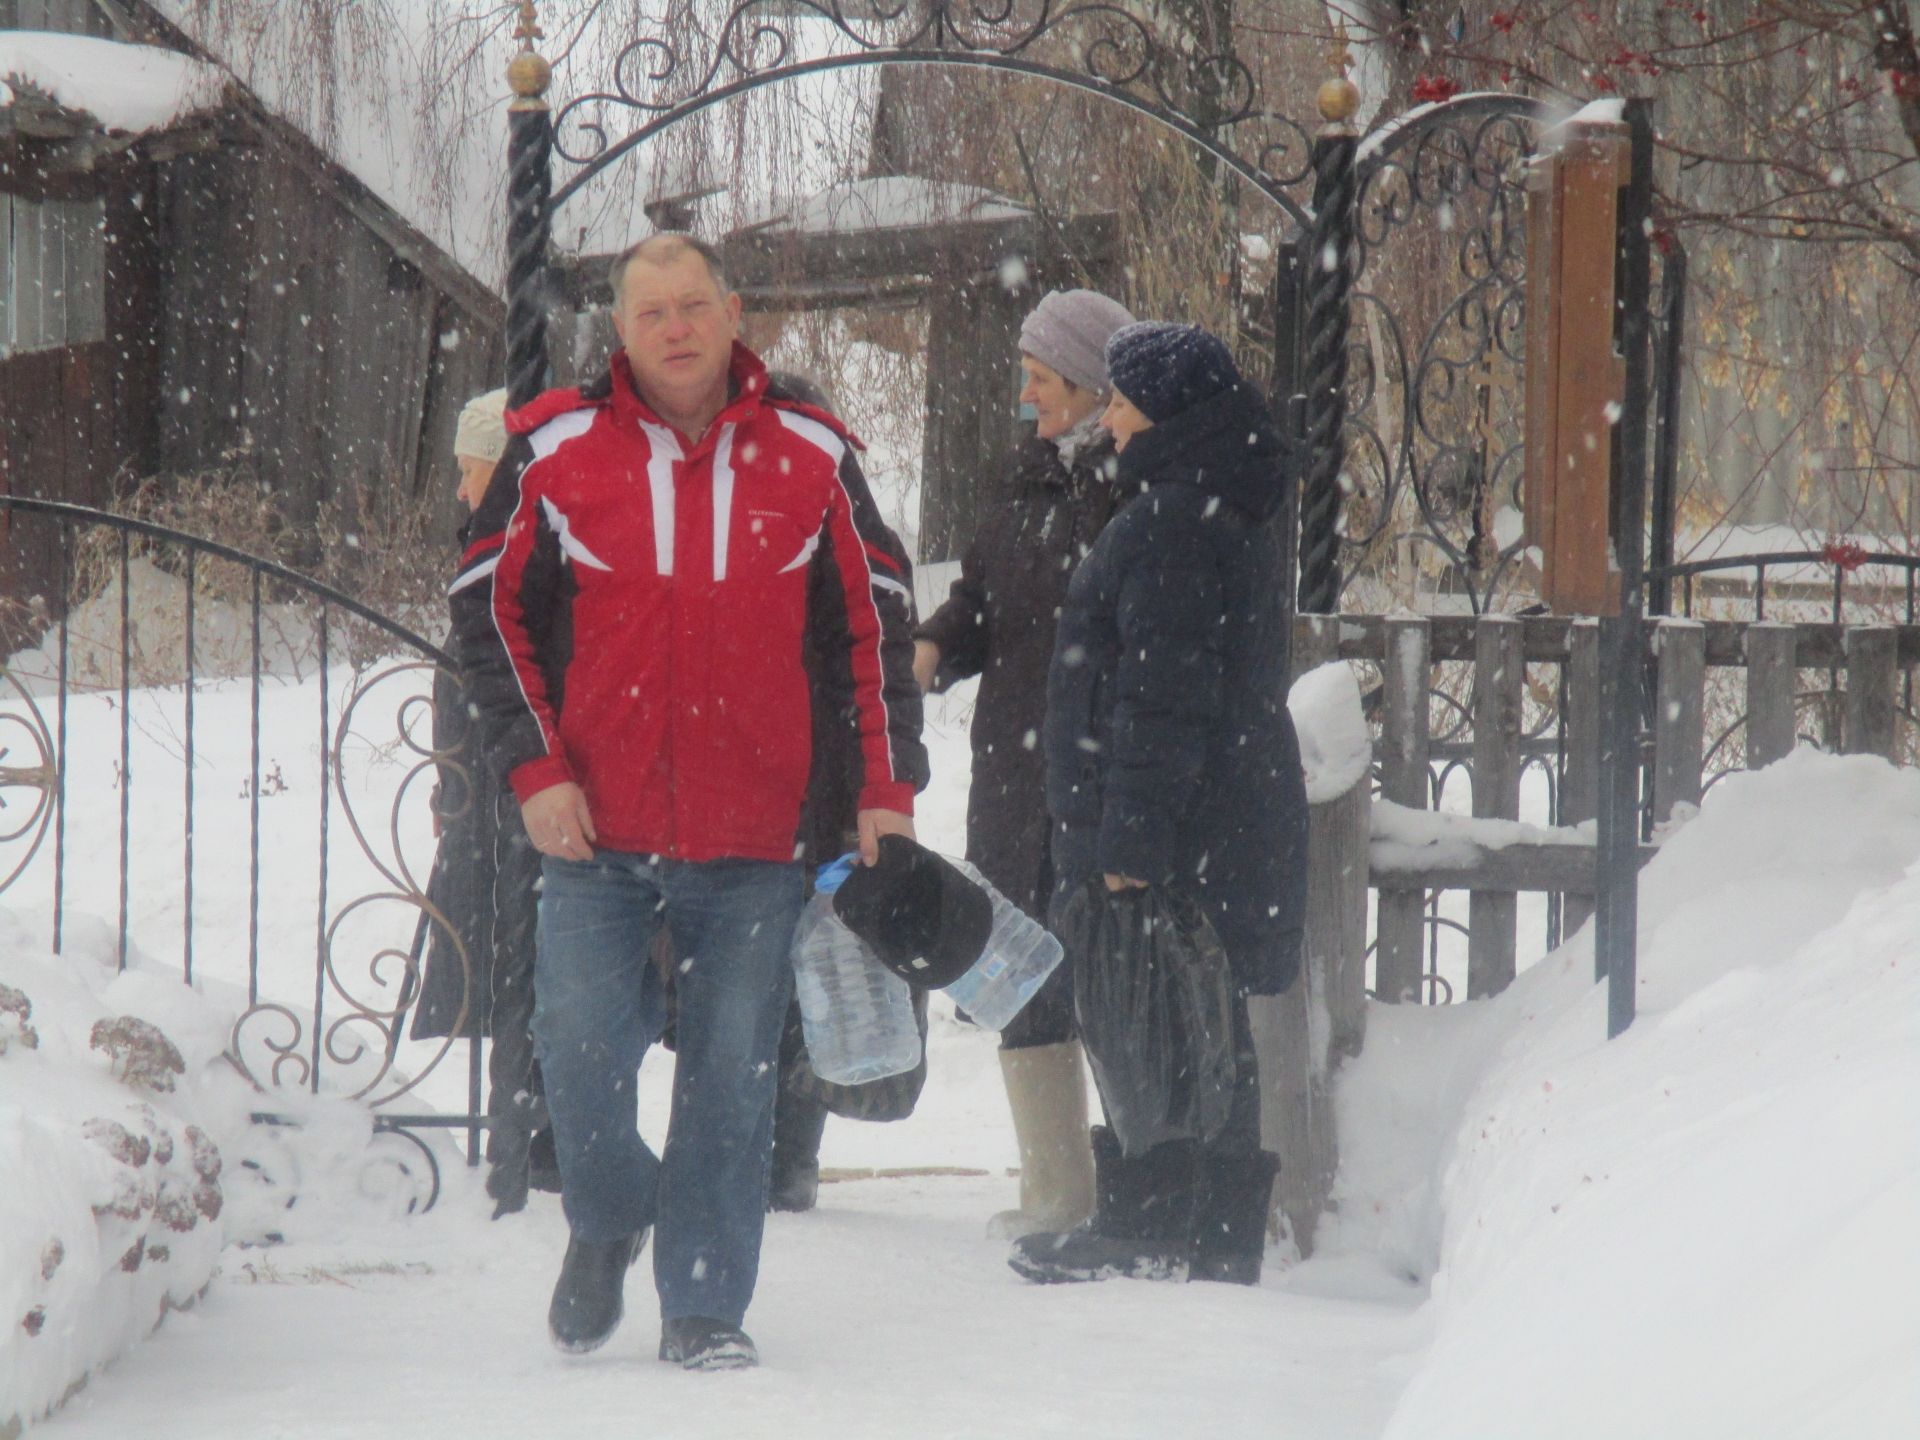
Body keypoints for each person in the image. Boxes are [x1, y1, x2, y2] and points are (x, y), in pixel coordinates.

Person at [450, 234, 927, 1369]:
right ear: (620, 329)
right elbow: (486, 608)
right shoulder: (556, 446)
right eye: (650, 310)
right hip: (594, 830)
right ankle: (609, 1217)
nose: (674, 328)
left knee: (731, 1076)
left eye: (693, 306)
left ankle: (706, 1305)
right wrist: (537, 769)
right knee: (576, 1055)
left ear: (732, 312)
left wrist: (883, 790)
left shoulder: (812, 453)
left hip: (756, 835)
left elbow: (878, 620)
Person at [1011, 321, 1308, 1288]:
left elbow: (1159, 695)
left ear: (1170, 414)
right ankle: (1215, 1233)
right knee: (1207, 1021)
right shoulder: (1222, 502)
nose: (1114, 419)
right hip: (1224, 813)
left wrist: (1131, 835)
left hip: (1181, 827)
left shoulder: (1174, 519)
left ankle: (1150, 1222)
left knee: (1155, 1017)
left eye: (1128, 402)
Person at [912, 287, 1134, 1239]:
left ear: (1090, 386)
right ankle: (1056, 1193)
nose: (1027, 399)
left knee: (1115, 981)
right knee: (1022, 974)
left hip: (1099, 772)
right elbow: (980, 596)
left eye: (1041, 381)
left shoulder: (1132, 486)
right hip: (1014, 770)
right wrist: (933, 646)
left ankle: (1129, 1185)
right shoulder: (1020, 478)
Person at [412, 386, 556, 1218]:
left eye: (470, 473)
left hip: (509, 795)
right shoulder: (487, 541)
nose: (462, 492)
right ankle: (513, 1129)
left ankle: (526, 1140)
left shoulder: (508, 547)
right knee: (493, 956)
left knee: (516, 959)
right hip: (478, 794)